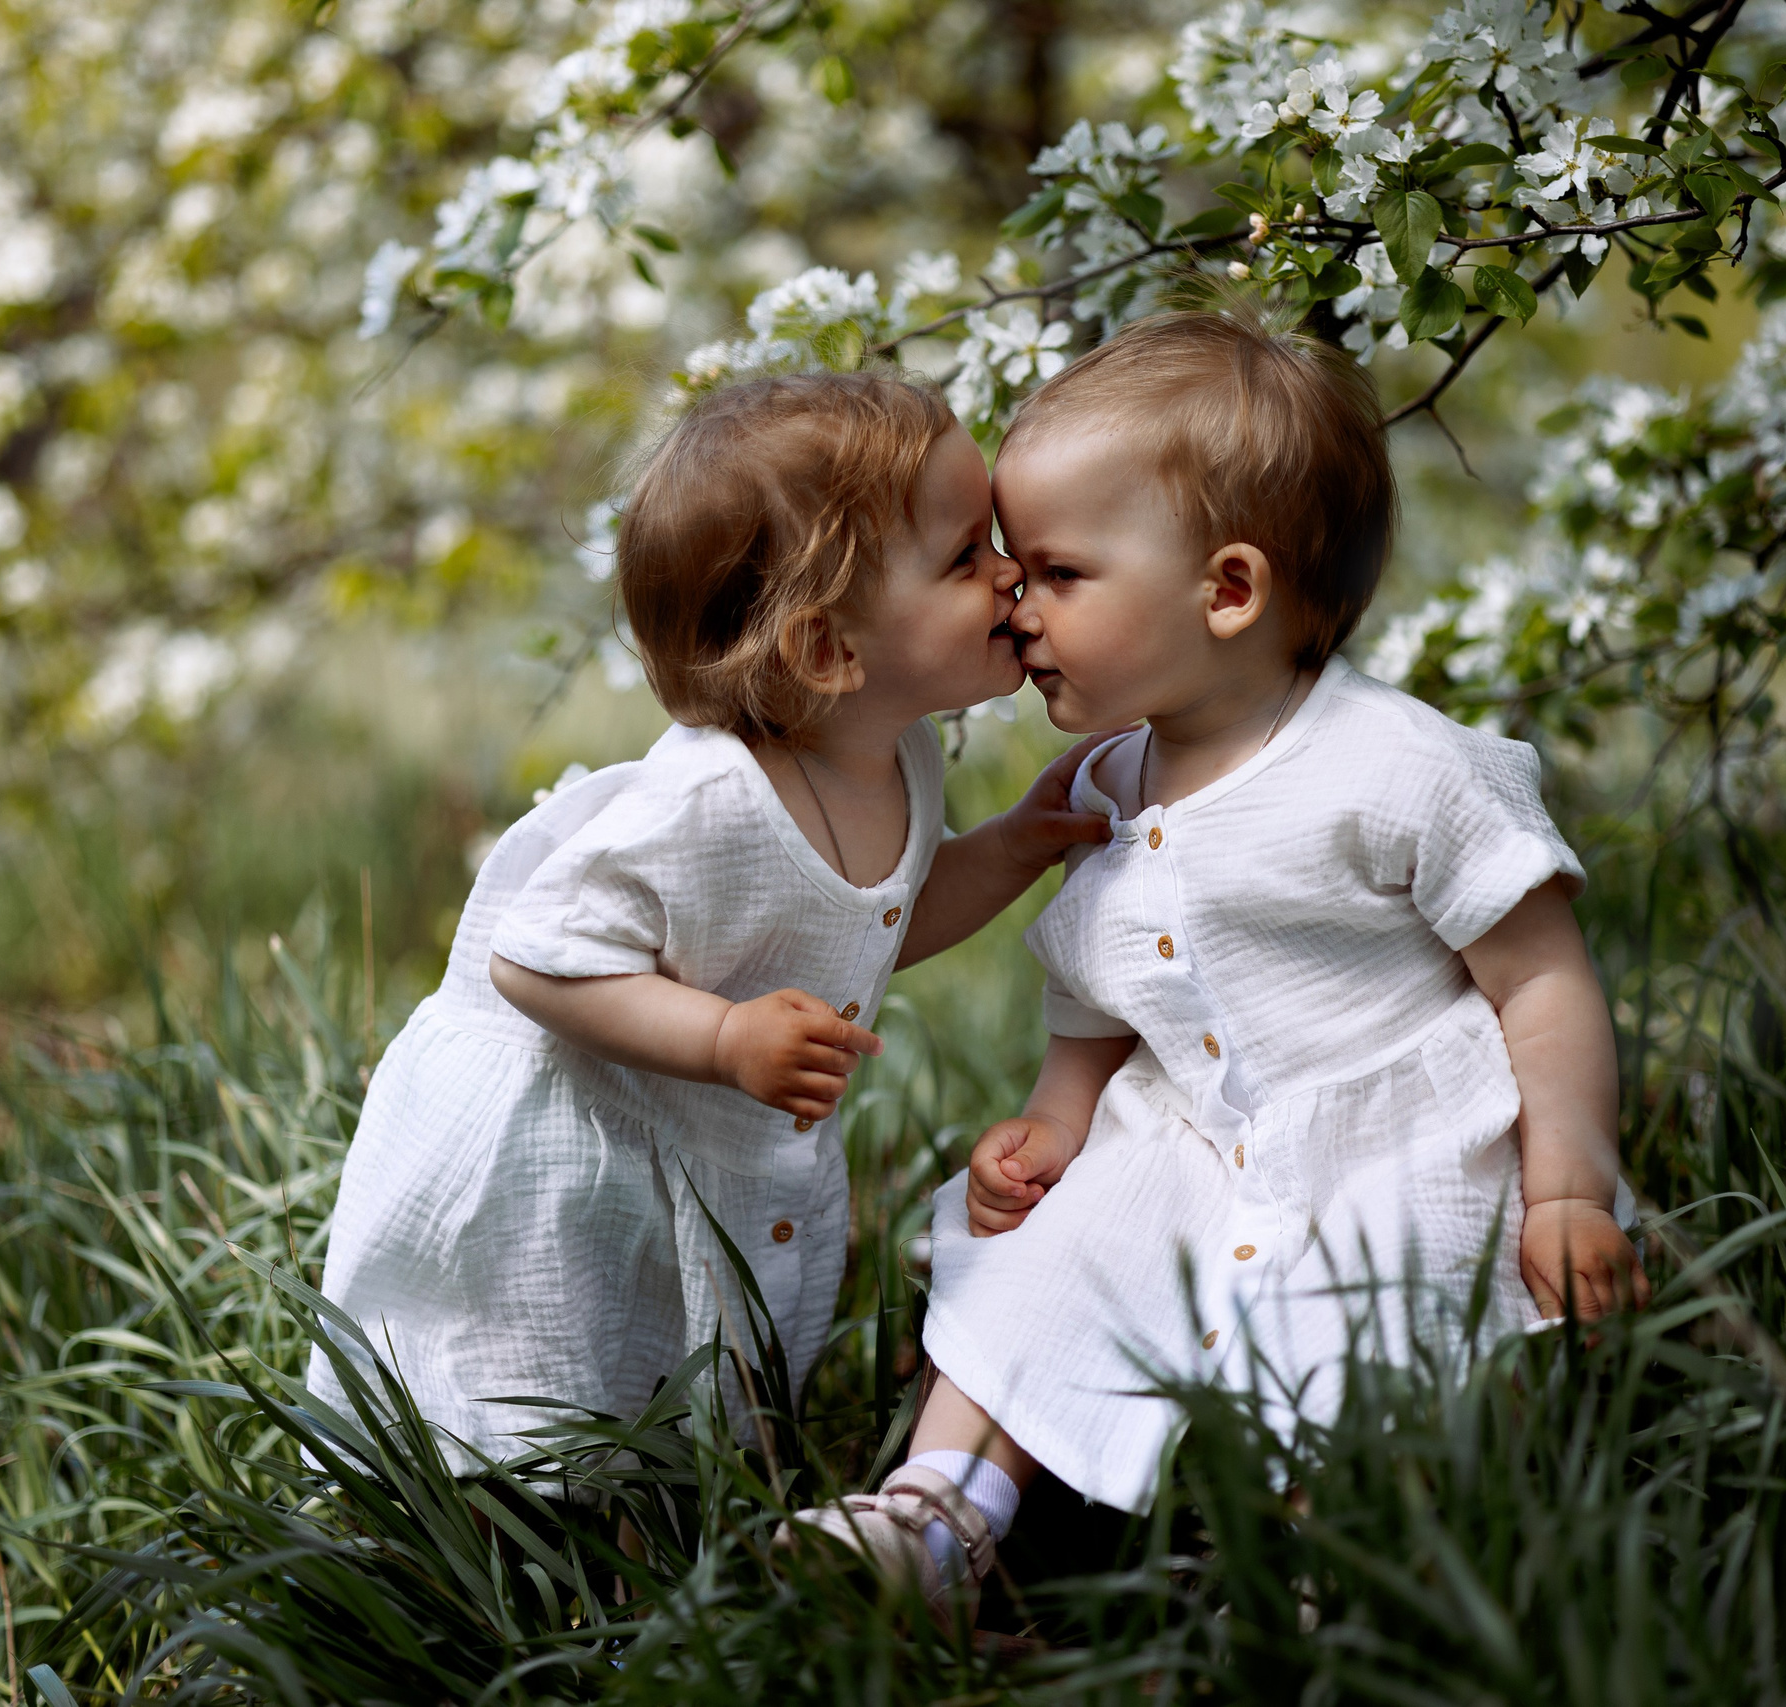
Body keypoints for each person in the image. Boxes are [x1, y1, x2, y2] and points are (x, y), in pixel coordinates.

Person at [781, 309, 1647, 1609]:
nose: (1015, 607)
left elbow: (1541, 977)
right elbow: (1100, 986)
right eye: (1011, 570)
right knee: (1045, 1263)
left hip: (1386, 1134)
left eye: (1060, 573)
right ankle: (937, 1513)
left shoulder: (1405, 768)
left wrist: (1568, 1182)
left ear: (1227, 590)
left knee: (1363, 1320)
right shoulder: (1109, 776)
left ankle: (1334, 1567)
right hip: (1183, 1133)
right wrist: (1057, 1122)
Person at [308, 371, 1110, 1465]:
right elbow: (536, 961)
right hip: (574, 1132)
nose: (1010, 573)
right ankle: (521, 1529)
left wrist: (1011, 845)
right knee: (553, 1356)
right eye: (966, 556)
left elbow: (874, 929)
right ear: (830, 651)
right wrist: (725, 1038)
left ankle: (670, 1498)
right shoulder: (705, 800)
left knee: (667, 1357)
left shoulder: (896, 755)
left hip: (688, 1125)